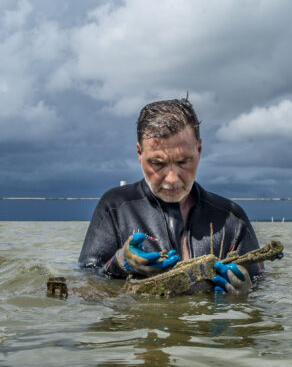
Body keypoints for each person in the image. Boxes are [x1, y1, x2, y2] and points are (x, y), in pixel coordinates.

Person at [78, 98, 261, 294]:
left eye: (183, 162)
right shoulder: (114, 207)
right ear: (139, 153)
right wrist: (118, 263)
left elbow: (263, 287)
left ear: (199, 150)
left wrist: (246, 291)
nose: (172, 179)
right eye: (158, 163)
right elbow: (85, 282)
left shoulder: (233, 220)